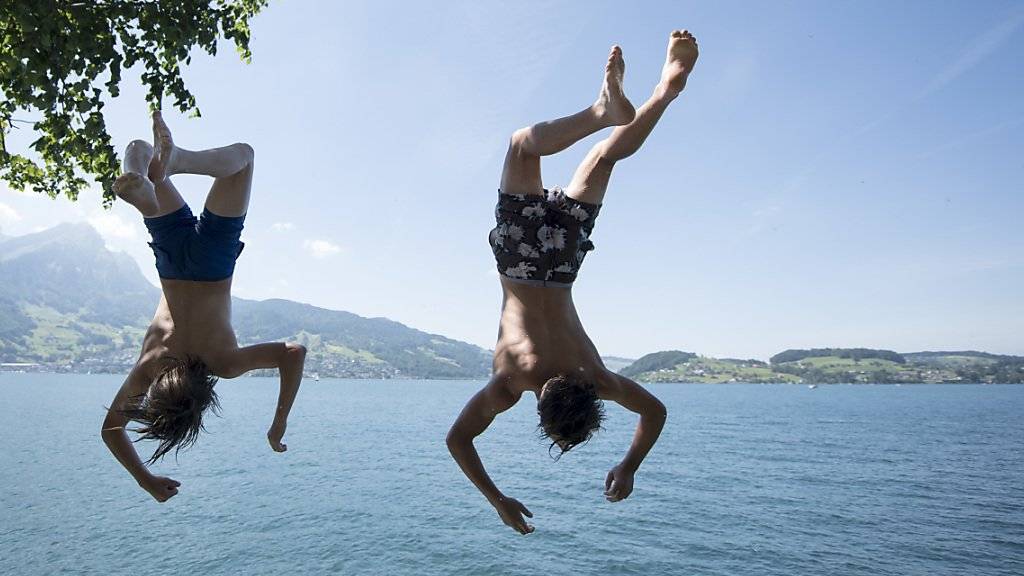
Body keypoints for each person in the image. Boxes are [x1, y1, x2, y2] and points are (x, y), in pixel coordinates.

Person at [447, 30, 699, 534]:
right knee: (522, 146)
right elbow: (459, 441)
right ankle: (600, 111)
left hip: (563, 263)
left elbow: (655, 412)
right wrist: (497, 499)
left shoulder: (598, 378)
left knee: (603, 159)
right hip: (520, 261)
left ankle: (667, 89)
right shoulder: (511, 381)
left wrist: (630, 465)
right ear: (540, 405)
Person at [101, 112, 307, 502]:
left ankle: (179, 161)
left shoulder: (224, 363)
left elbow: (293, 352)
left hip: (214, 264)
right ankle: (146, 189)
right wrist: (144, 480)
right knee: (139, 151)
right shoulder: (151, 365)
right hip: (172, 261)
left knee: (243, 158)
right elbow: (112, 428)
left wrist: (279, 421)